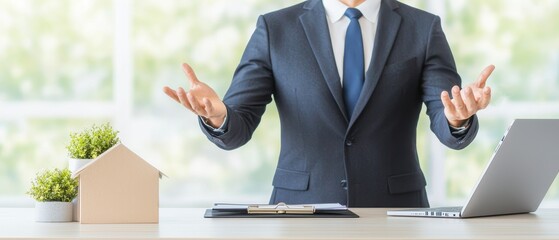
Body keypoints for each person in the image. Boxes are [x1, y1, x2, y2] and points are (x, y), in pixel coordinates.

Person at [163, 0, 494, 207]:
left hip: (395, 210)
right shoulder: (275, 28)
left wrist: (457, 119)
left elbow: (445, 113)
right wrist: (219, 117)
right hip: (300, 209)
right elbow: (238, 126)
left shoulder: (422, 27)